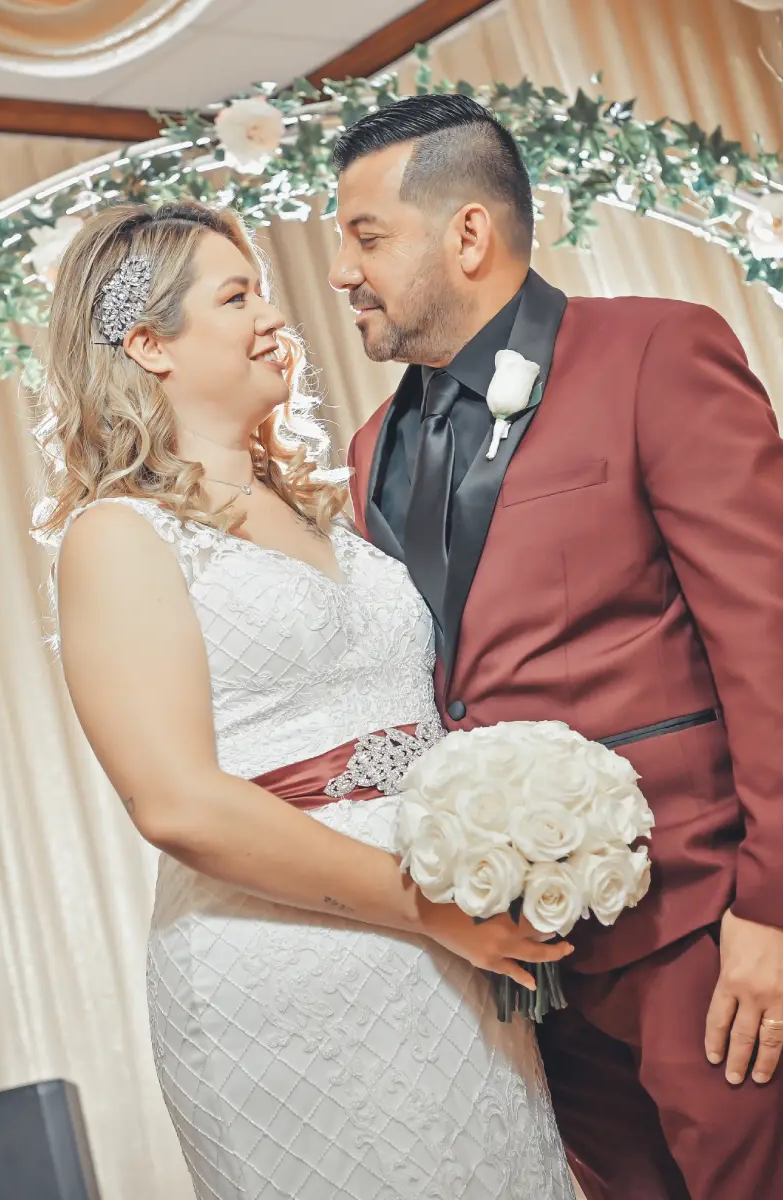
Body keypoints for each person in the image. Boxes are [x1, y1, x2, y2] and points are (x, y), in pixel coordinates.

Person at [329, 92, 783, 1200]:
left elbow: (782, 640)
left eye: (364, 235)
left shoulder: (653, 351)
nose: (342, 270)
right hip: (529, 970)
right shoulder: (370, 445)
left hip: (702, 928)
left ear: (466, 235)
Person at [39, 200, 576, 1198]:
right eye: (237, 295)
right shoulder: (117, 537)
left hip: (450, 948)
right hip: (283, 972)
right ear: (148, 343)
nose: (273, 315)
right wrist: (423, 907)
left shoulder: (332, 508)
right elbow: (178, 804)